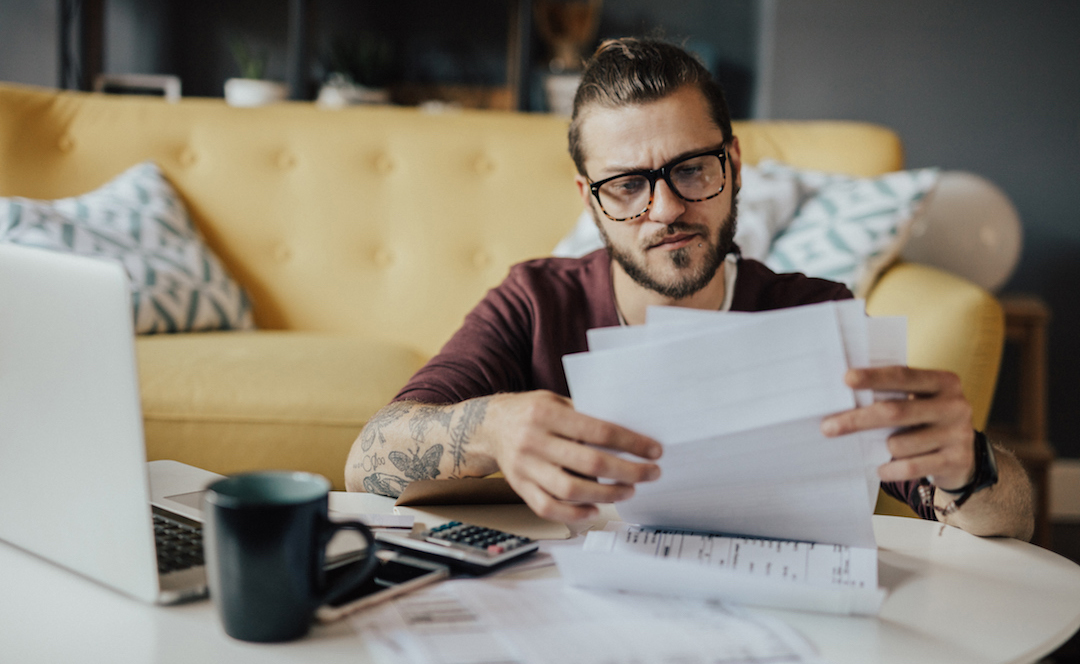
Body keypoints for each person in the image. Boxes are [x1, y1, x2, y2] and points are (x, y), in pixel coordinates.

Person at [345, 37, 1034, 541]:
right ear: (591, 200)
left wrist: (966, 464)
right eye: (628, 185)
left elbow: (1010, 520)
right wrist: (493, 427)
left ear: (733, 165)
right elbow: (367, 462)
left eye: (693, 170)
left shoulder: (811, 315)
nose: (667, 208)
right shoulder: (534, 301)